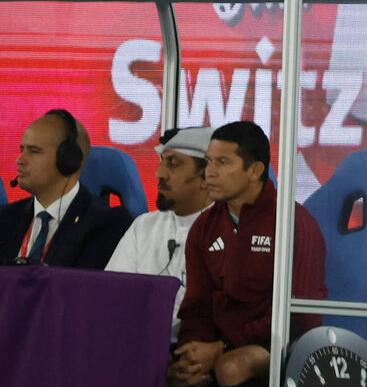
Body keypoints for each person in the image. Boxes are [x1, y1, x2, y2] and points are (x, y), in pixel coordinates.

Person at [170, 121, 327, 387]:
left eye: (222, 163)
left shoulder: (293, 222)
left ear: (255, 170)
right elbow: (196, 305)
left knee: (233, 365)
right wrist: (193, 351)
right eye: (208, 161)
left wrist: (223, 348)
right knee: (164, 370)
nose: (208, 173)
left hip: (284, 349)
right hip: (224, 347)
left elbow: (301, 316)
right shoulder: (204, 227)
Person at [105, 126, 214, 343]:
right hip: (134, 345)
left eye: (173, 164)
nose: (159, 174)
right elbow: (110, 297)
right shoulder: (144, 226)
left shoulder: (225, 232)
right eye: (161, 162)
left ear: (206, 177)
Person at [0, 108, 132, 268]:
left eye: (34, 151)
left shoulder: (107, 223)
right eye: (22, 150)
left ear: (68, 161)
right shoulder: (5, 218)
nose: (20, 160)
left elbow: (81, 288)